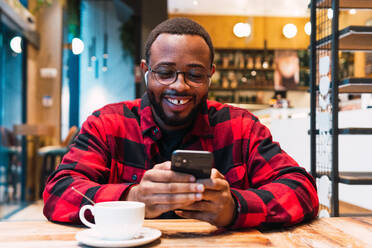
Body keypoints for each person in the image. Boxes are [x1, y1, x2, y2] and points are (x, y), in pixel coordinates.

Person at [43, 17, 318, 228]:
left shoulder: (240, 126)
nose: (180, 86)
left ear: (210, 75)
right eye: (165, 73)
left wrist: (235, 207)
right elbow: (59, 191)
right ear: (145, 72)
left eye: (195, 75)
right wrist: (132, 198)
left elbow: (302, 189)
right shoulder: (108, 124)